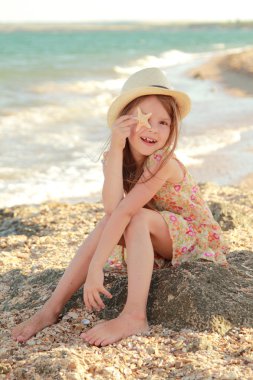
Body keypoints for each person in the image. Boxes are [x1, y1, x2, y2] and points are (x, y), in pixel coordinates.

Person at [12, 67, 229, 347]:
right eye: (146, 118)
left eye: (164, 123)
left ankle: (134, 316)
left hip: (197, 239)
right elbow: (113, 208)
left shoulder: (164, 162)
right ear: (125, 120)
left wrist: (97, 267)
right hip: (160, 233)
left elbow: (127, 213)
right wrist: (115, 148)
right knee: (111, 223)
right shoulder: (117, 155)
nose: (153, 129)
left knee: (135, 216)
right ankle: (50, 309)